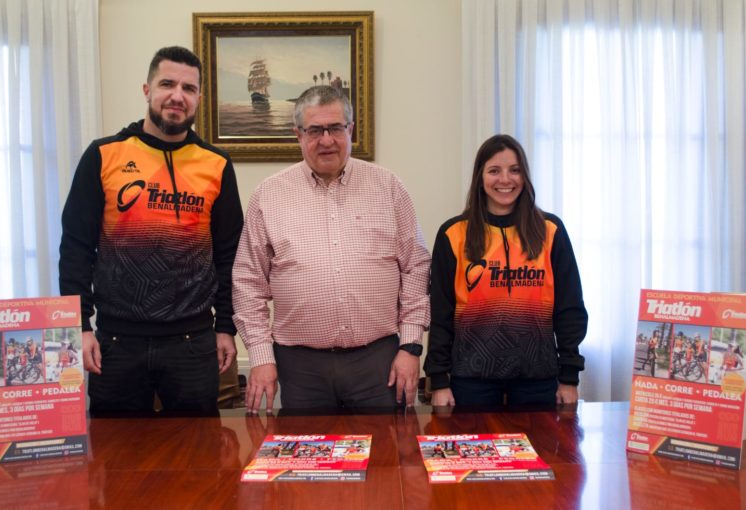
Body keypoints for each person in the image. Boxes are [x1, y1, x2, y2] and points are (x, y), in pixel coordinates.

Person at [59, 46, 243, 413]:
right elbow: (76, 248)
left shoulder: (217, 165)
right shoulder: (103, 155)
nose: (177, 96)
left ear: (199, 99)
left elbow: (230, 257)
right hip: (115, 341)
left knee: (197, 459)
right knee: (117, 463)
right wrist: (78, 326)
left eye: (189, 89)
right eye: (167, 84)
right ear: (147, 90)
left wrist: (226, 326)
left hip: (194, 343)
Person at [232, 85, 430, 412]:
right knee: (305, 460)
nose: (326, 140)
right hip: (300, 366)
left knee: (383, 455)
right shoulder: (268, 195)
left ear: (350, 129)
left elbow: (416, 267)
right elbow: (247, 282)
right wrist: (261, 357)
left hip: (378, 362)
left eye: (335, 128)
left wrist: (410, 347)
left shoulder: (388, 188)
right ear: (298, 134)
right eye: (315, 130)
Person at [424, 134, 588, 406]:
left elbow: (570, 308)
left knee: (541, 449)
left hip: (538, 378)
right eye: (494, 171)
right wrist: (439, 379)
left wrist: (570, 377)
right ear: (480, 177)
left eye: (515, 170)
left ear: (525, 176)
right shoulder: (453, 233)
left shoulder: (551, 231)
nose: (505, 180)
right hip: (471, 380)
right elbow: (441, 314)